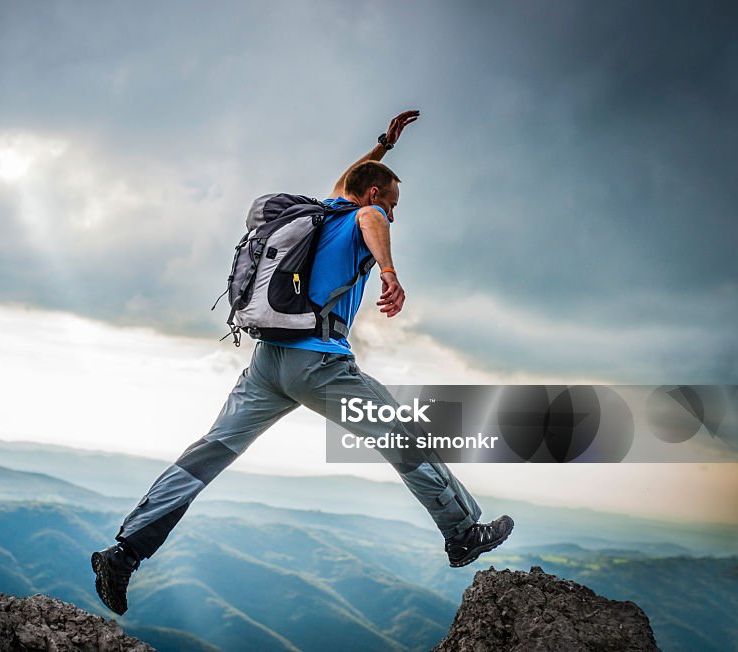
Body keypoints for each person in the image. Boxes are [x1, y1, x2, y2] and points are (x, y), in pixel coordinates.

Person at [91, 111, 514, 615]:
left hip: (269, 363)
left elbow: (351, 185)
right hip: (320, 367)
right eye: (394, 203)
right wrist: (389, 271)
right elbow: (371, 216)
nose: (394, 215)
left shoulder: (322, 213)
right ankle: (463, 533)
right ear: (377, 195)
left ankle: (124, 552)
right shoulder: (362, 218)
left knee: (208, 454)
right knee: (402, 438)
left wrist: (383, 145)